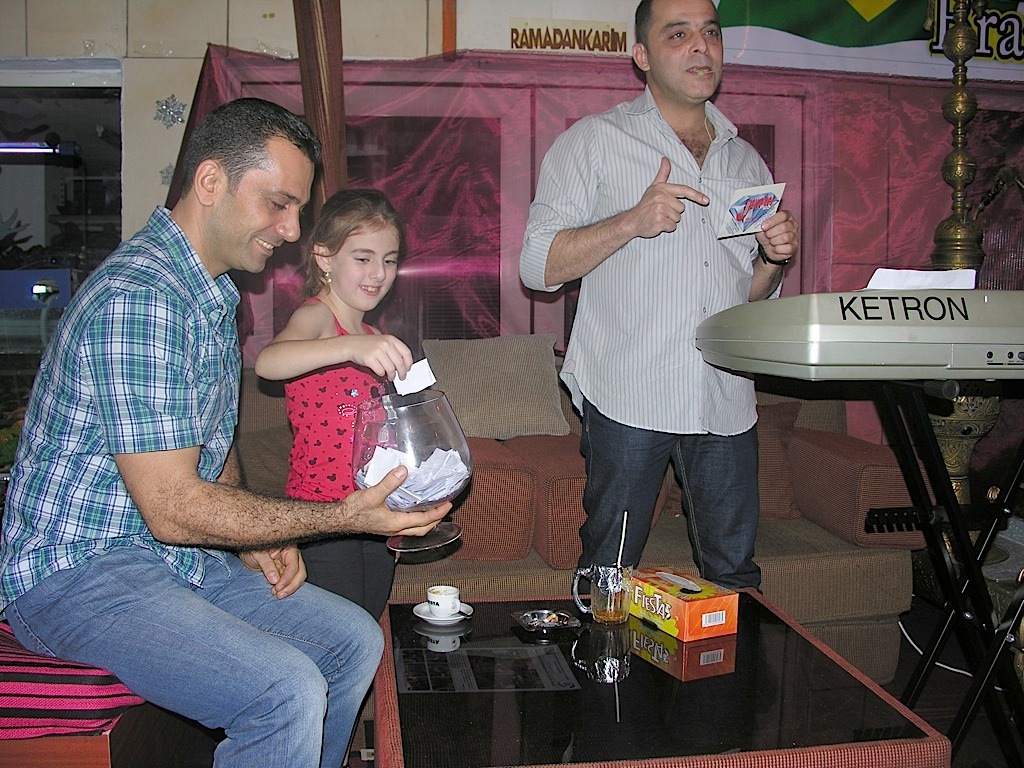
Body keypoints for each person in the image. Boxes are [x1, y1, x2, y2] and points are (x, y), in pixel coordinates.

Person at [0, 98, 449, 768]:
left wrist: (254, 540)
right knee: (285, 690)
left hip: (174, 562)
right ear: (211, 181)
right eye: (278, 204)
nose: (291, 230)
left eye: (297, 209)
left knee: (354, 641)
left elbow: (212, 444)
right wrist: (339, 516)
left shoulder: (209, 296)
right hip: (78, 576)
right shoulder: (142, 299)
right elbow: (175, 507)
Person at [519, 0, 799, 590]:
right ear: (642, 56)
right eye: (678, 34)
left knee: (734, 575)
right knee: (609, 574)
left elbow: (746, 297)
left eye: (711, 33)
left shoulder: (745, 160)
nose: (701, 46)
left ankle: (732, 657)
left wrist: (773, 260)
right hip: (630, 393)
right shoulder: (594, 141)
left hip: (723, 396)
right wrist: (631, 221)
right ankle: (601, 654)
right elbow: (538, 266)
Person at [254, 188, 413, 620]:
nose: (378, 273)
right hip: (322, 516)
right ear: (324, 258)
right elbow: (269, 362)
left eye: (390, 260)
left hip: (372, 512)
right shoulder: (318, 317)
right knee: (339, 630)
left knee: (369, 622)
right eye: (363, 258)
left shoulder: (370, 333)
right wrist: (350, 347)